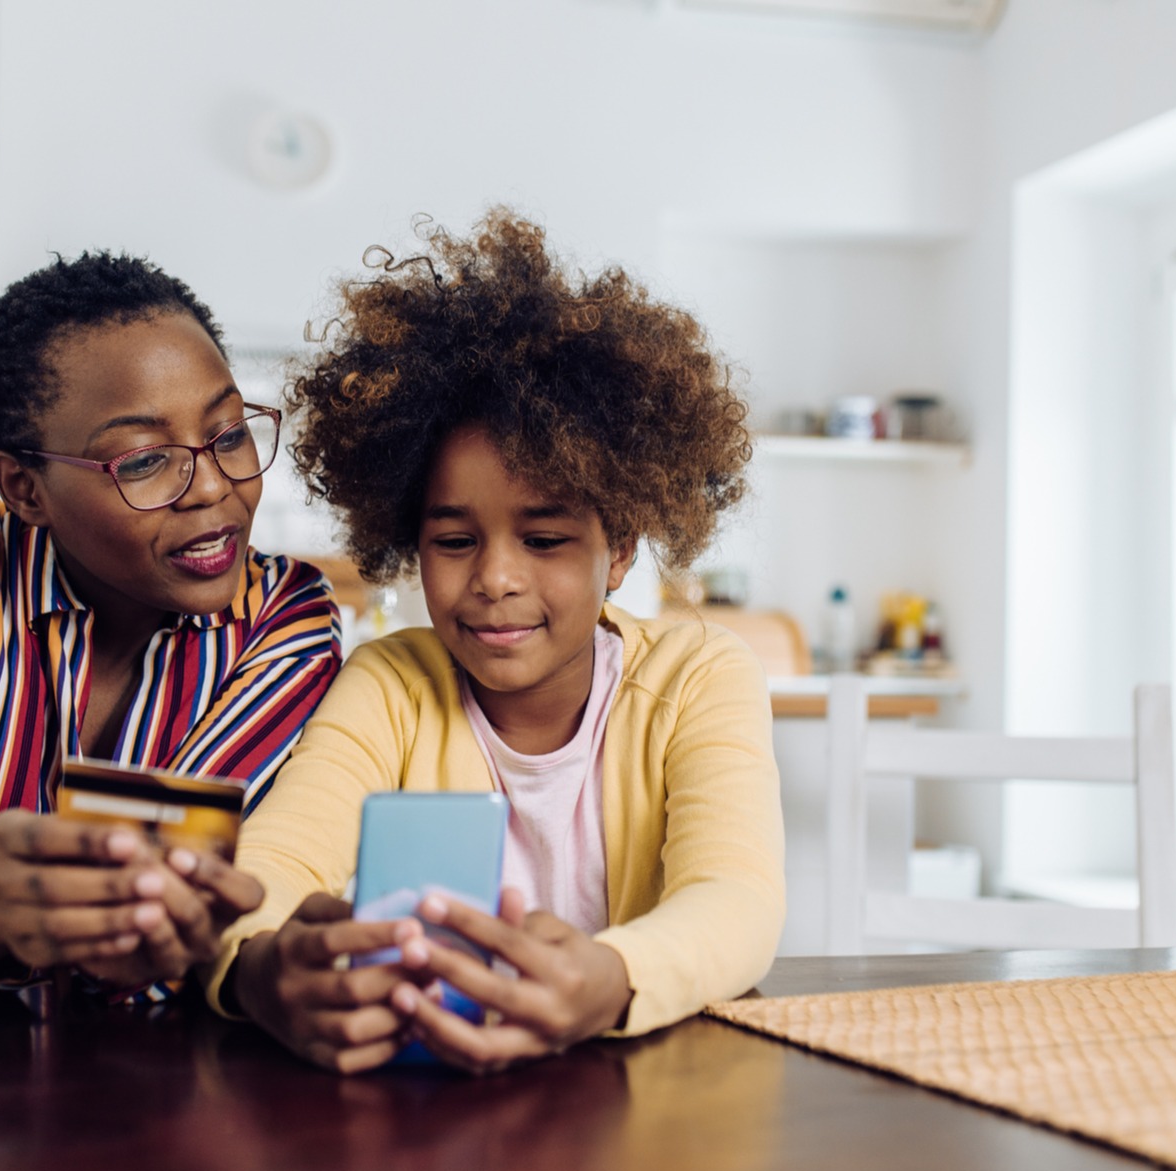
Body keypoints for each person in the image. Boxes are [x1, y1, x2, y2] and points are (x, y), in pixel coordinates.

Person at [205, 210, 783, 1072]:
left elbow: (734, 899)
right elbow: (276, 860)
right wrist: (259, 967)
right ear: (409, 540)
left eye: (544, 540)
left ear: (618, 547)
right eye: (453, 540)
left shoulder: (699, 675)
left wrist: (611, 977)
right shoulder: (389, 684)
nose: (495, 579)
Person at [0, 252, 339, 991]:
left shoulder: (284, 616)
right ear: (24, 488)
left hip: (141, 1071)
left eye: (227, 435)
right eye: (144, 460)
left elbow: (181, 892)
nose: (215, 487)